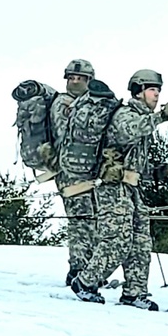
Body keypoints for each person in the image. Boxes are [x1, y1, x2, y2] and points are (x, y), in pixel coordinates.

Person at [70, 69, 168, 309]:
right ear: (138, 91)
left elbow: (133, 160)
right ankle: (86, 283)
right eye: (152, 90)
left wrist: (155, 172)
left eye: (158, 91)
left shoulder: (142, 118)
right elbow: (131, 130)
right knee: (116, 239)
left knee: (140, 241)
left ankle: (134, 292)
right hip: (111, 188)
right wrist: (161, 117)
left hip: (131, 188)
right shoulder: (125, 114)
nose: (157, 95)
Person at [48, 59, 97, 286]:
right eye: (72, 78)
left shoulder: (86, 103)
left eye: (80, 78)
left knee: (91, 219)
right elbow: (68, 133)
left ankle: (88, 268)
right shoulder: (63, 103)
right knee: (80, 220)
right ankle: (77, 268)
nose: (75, 82)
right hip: (70, 171)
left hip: (86, 171)